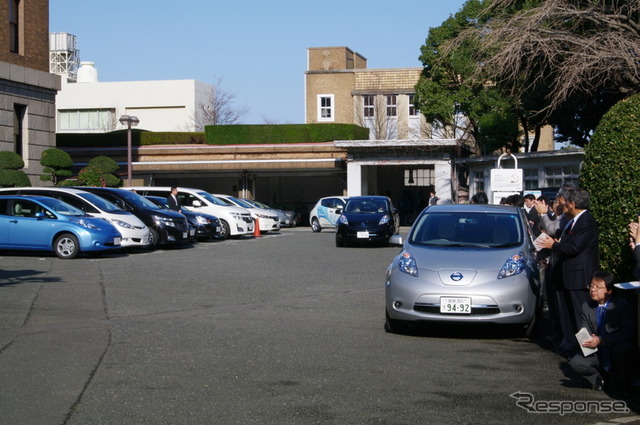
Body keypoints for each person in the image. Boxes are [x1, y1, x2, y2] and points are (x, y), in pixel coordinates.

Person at [539, 189, 599, 356]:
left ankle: (587, 353)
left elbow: (574, 247)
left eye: (566, 203)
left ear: (573, 204)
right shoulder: (574, 221)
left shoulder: (586, 221)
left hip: (579, 277)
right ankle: (575, 347)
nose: (563, 205)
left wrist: (554, 245)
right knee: (571, 315)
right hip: (569, 276)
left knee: (581, 317)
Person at [568, 271, 637, 392]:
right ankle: (599, 379)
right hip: (597, 352)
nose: (593, 290)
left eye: (598, 287)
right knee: (576, 362)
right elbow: (584, 329)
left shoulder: (621, 306)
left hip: (614, 348)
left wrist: (601, 340)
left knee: (625, 349)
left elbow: (628, 333)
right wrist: (587, 340)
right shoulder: (587, 306)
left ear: (609, 291)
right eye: (592, 286)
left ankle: (624, 382)